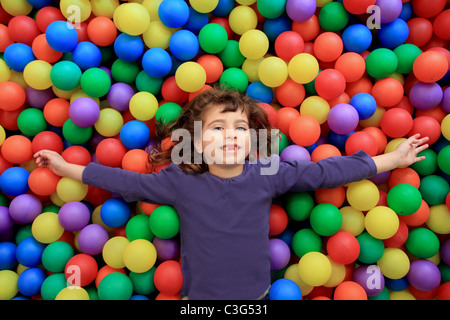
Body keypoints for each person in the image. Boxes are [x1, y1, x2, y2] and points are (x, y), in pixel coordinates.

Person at [34, 87, 429, 300]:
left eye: (239, 128)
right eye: (217, 129)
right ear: (196, 141)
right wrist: (67, 168)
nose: (230, 136)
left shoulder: (267, 173)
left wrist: (390, 160)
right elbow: (125, 181)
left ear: (252, 139)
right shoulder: (180, 180)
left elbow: (325, 172)